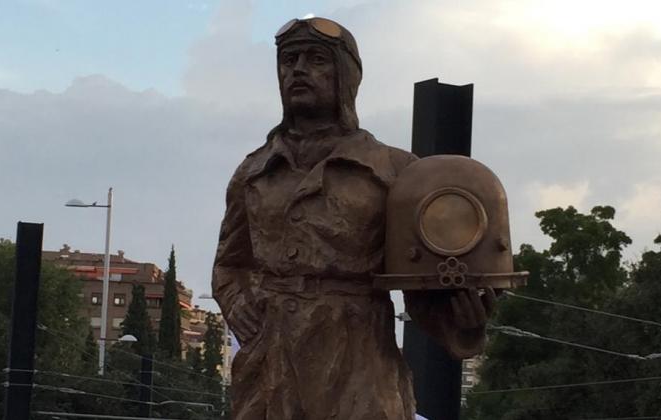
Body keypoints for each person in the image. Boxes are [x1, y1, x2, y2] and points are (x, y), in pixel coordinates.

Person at [212, 17, 495, 420]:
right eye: (289, 60)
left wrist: (463, 320)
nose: (298, 71)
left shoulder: (394, 170)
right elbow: (230, 262)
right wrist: (238, 302)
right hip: (270, 363)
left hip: (357, 359)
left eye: (316, 60)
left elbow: (422, 286)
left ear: (346, 76)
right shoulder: (254, 170)